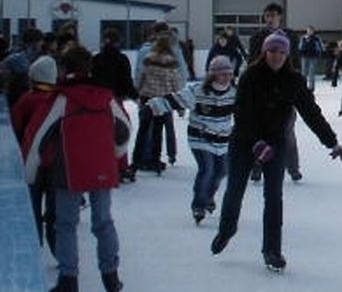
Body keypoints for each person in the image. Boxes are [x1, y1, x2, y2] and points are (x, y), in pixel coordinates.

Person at [210, 32, 342, 272]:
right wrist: (256, 143)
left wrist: (331, 141)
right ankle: (227, 229)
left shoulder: (294, 80)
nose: (277, 56)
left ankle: (272, 250)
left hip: (275, 143)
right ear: (265, 52)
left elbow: (311, 112)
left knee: (273, 196)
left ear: (288, 54)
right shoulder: (251, 75)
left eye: (282, 52)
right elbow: (242, 112)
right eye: (273, 51)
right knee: (235, 189)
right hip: (244, 141)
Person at [22, 46, 131, 292]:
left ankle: (68, 282)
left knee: (65, 224)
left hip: (68, 169)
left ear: (64, 69)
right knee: (103, 222)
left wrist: (29, 173)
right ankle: (111, 276)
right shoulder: (105, 97)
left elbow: (38, 136)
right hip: (101, 167)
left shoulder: (62, 99)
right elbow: (125, 128)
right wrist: (115, 153)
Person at [152, 56, 237, 224]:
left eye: (229, 74)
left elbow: (248, 109)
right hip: (200, 138)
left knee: (221, 171)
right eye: (222, 74)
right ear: (213, 75)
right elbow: (175, 99)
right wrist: (153, 106)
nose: (226, 77)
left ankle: (208, 196)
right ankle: (198, 205)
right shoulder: (198, 91)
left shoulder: (234, 93)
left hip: (222, 139)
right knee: (207, 169)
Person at [248, 4, 303, 182]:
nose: (270, 19)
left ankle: (293, 168)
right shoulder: (257, 37)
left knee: (287, 131)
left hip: (285, 89)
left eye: (273, 15)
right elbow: (252, 63)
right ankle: (257, 167)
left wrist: (297, 86)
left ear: (280, 16)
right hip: (262, 90)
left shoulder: (291, 36)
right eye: (267, 16)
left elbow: (296, 62)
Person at [13, 55, 61, 251]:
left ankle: (34, 246)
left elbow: (16, 126)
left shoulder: (27, 100)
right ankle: (58, 248)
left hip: (32, 160)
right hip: (56, 161)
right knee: (54, 210)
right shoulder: (60, 99)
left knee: (32, 206)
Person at [134, 32, 184, 171]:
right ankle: (155, 159)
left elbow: (141, 78)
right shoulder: (171, 63)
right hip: (162, 100)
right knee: (158, 130)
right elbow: (176, 84)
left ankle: (137, 158)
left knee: (143, 129)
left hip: (147, 97)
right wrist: (180, 105)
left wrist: (137, 93)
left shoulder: (148, 59)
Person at [91, 28, 139, 106]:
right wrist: (134, 95)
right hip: (117, 96)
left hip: (100, 96)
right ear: (117, 42)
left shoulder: (96, 59)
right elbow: (126, 80)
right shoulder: (122, 59)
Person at [299, 25, 325, 92]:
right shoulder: (303, 38)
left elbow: (321, 46)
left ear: (313, 31)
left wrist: (320, 53)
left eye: (311, 30)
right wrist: (300, 52)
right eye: (308, 30)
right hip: (304, 56)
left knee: (311, 73)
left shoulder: (316, 38)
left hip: (313, 57)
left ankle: (311, 87)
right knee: (303, 72)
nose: (309, 31)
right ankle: (303, 86)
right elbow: (300, 46)